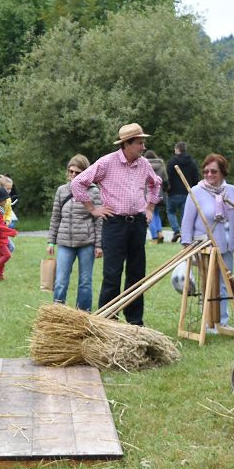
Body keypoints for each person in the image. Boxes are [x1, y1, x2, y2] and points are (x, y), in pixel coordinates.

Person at [71, 123, 162, 326]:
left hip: (137, 223)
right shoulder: (107, 162)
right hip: (114, 224)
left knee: (137, 274)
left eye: (143, 142)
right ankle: (107, 320)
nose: (143, 146)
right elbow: (78, 183)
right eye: (140, 142)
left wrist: (150, 209)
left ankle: (135, 321)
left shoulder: (144, 164)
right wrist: (93, 209)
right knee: (112, 273)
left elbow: (156, 184)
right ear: (126, 144)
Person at [181, 154, 234, 328]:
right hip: (205, 247)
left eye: (214, 171)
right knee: (208, 285)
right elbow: (186, 222)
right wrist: (187, 247)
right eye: (206, 171)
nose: (209, 174)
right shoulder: (195, 191)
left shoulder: (230, 190)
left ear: (222, 172)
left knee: (225, 285)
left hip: (226, 247)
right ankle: (208, 323)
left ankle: (222, 322)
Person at [47, 155, 103, 311]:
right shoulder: (62, 190)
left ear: (85, 173)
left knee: (85, 282)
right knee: (60, 281)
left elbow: (99, 221)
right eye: (70, 171)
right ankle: (58, 313)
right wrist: (51, 241)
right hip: (64, 242)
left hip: (86, 243)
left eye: (77, 172)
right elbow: (55, 217)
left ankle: (83, 314)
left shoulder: (93, 192)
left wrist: (99, 245)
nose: (72, 175)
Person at [166, 141, 200, 243]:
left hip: (173, 192)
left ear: (177, 149)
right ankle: (185, 235)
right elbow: (195, 178)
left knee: (171, 212)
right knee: (185, 215)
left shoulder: (172, 161)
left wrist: (167, 187)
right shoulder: (192, 162)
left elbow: (168, 176)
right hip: (187, 192)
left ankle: (176, 230)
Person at [144, 150, 169, 243]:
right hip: (159, 193)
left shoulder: (144, 165)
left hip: (148, 194)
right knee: (157, 214)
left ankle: (155, 237)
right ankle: (160, 233)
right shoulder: (161, 166)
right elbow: (166, 180)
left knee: (150, 214)